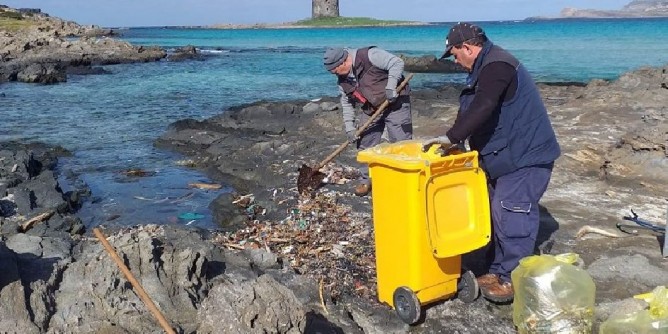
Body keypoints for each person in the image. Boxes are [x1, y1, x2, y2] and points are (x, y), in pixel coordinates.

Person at [422, 22, 561, 302]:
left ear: (468, 47)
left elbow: (484, 105)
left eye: (455, 54)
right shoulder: (484, 66)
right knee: (495, 214)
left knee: (511, 213)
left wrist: (451, 137)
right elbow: (474, 110)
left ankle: (512, 279)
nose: (456, 62)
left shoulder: (498, 65)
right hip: (504, 157)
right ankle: (497, 270)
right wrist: (457, 142)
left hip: (526, 157)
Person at [323, 46, 413, 196]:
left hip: (396, 102)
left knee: (401, 144)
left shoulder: (369, 55)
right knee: (365, 142)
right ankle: (367, 180)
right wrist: (350, 128)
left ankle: (403, 179)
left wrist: (391, 87)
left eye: (335, 71)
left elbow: (396, 63)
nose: (335, 75)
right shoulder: (342, 81)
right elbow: (346, 103)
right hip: (372, 108)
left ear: (343, 62)